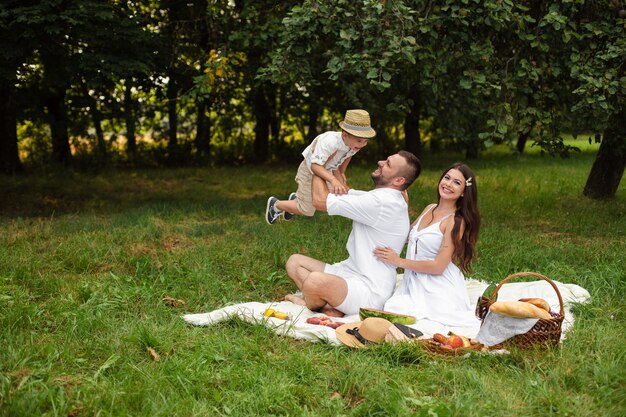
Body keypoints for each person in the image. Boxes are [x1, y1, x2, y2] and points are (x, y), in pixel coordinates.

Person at [283, 151, 422, 317]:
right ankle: (330, 307)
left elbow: (320, 201)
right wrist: (335, 171)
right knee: (295, 262)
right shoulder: (381, 197)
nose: (380, 161)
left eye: (388, 164)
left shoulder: (381, 203)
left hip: (369, 290)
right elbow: (340, 192)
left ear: (399, 180)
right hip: (349, 271)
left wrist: (318, 164)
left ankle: (312, 304)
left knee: (314, 281)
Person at [373, 163, 480, 328]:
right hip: (413, 279)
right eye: (447, 178)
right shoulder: (430, 208)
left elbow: (438, 267)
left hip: (437, 283)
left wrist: (398, 261)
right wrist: (403, 208)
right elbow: (408, 236)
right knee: (392, 307)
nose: (448, 184)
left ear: (464, 192)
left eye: (457, 183)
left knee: (423, 318)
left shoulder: (455, 221)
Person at [265, 109, 375, 225]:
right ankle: (276, 205)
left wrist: (341, 175)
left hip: (327, 170)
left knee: (331, 198)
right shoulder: (329, 142)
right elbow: (315, 166)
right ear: (344, 135)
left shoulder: (353, 144)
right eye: (359, 141)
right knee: (307, 210)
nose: (362, 145)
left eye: (366, 141)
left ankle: (296, 200)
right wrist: (333, 180)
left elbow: (347, 157)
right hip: (310, 170)